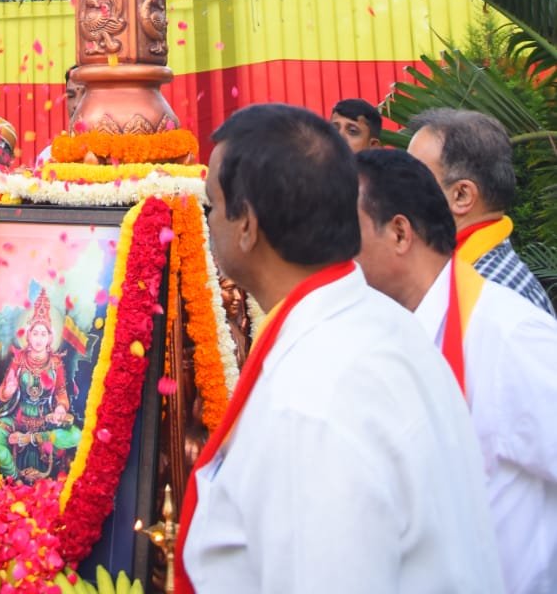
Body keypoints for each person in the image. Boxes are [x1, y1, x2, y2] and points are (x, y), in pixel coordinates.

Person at [176, 103, 503, 594]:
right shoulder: (378, 323)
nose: (209, 223)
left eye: (213, 205)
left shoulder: (315, 396)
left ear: (248, 225)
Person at [357, 147, 557, 594]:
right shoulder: (388, 329)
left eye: (344, 231)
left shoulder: (510, 334)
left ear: (400, 233)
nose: (331, 248)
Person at [408, 106, 554, 314]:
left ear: (462, 195)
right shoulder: (469, 277)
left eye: (412, 176)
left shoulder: (493, 299)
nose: (397, 187)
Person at [0, 287, 81, 481]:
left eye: (43, 334)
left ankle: (34, 440)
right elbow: (2, 393)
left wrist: (60, 409)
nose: (39, 339)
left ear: (50, 338)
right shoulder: (19, 359)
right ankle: (14, 479)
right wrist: (7, 391)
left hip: (44, 422)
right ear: (28, 335)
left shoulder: (55, 363)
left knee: (77, 436)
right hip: (17, 419)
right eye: (35, 333)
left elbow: (61, 393)